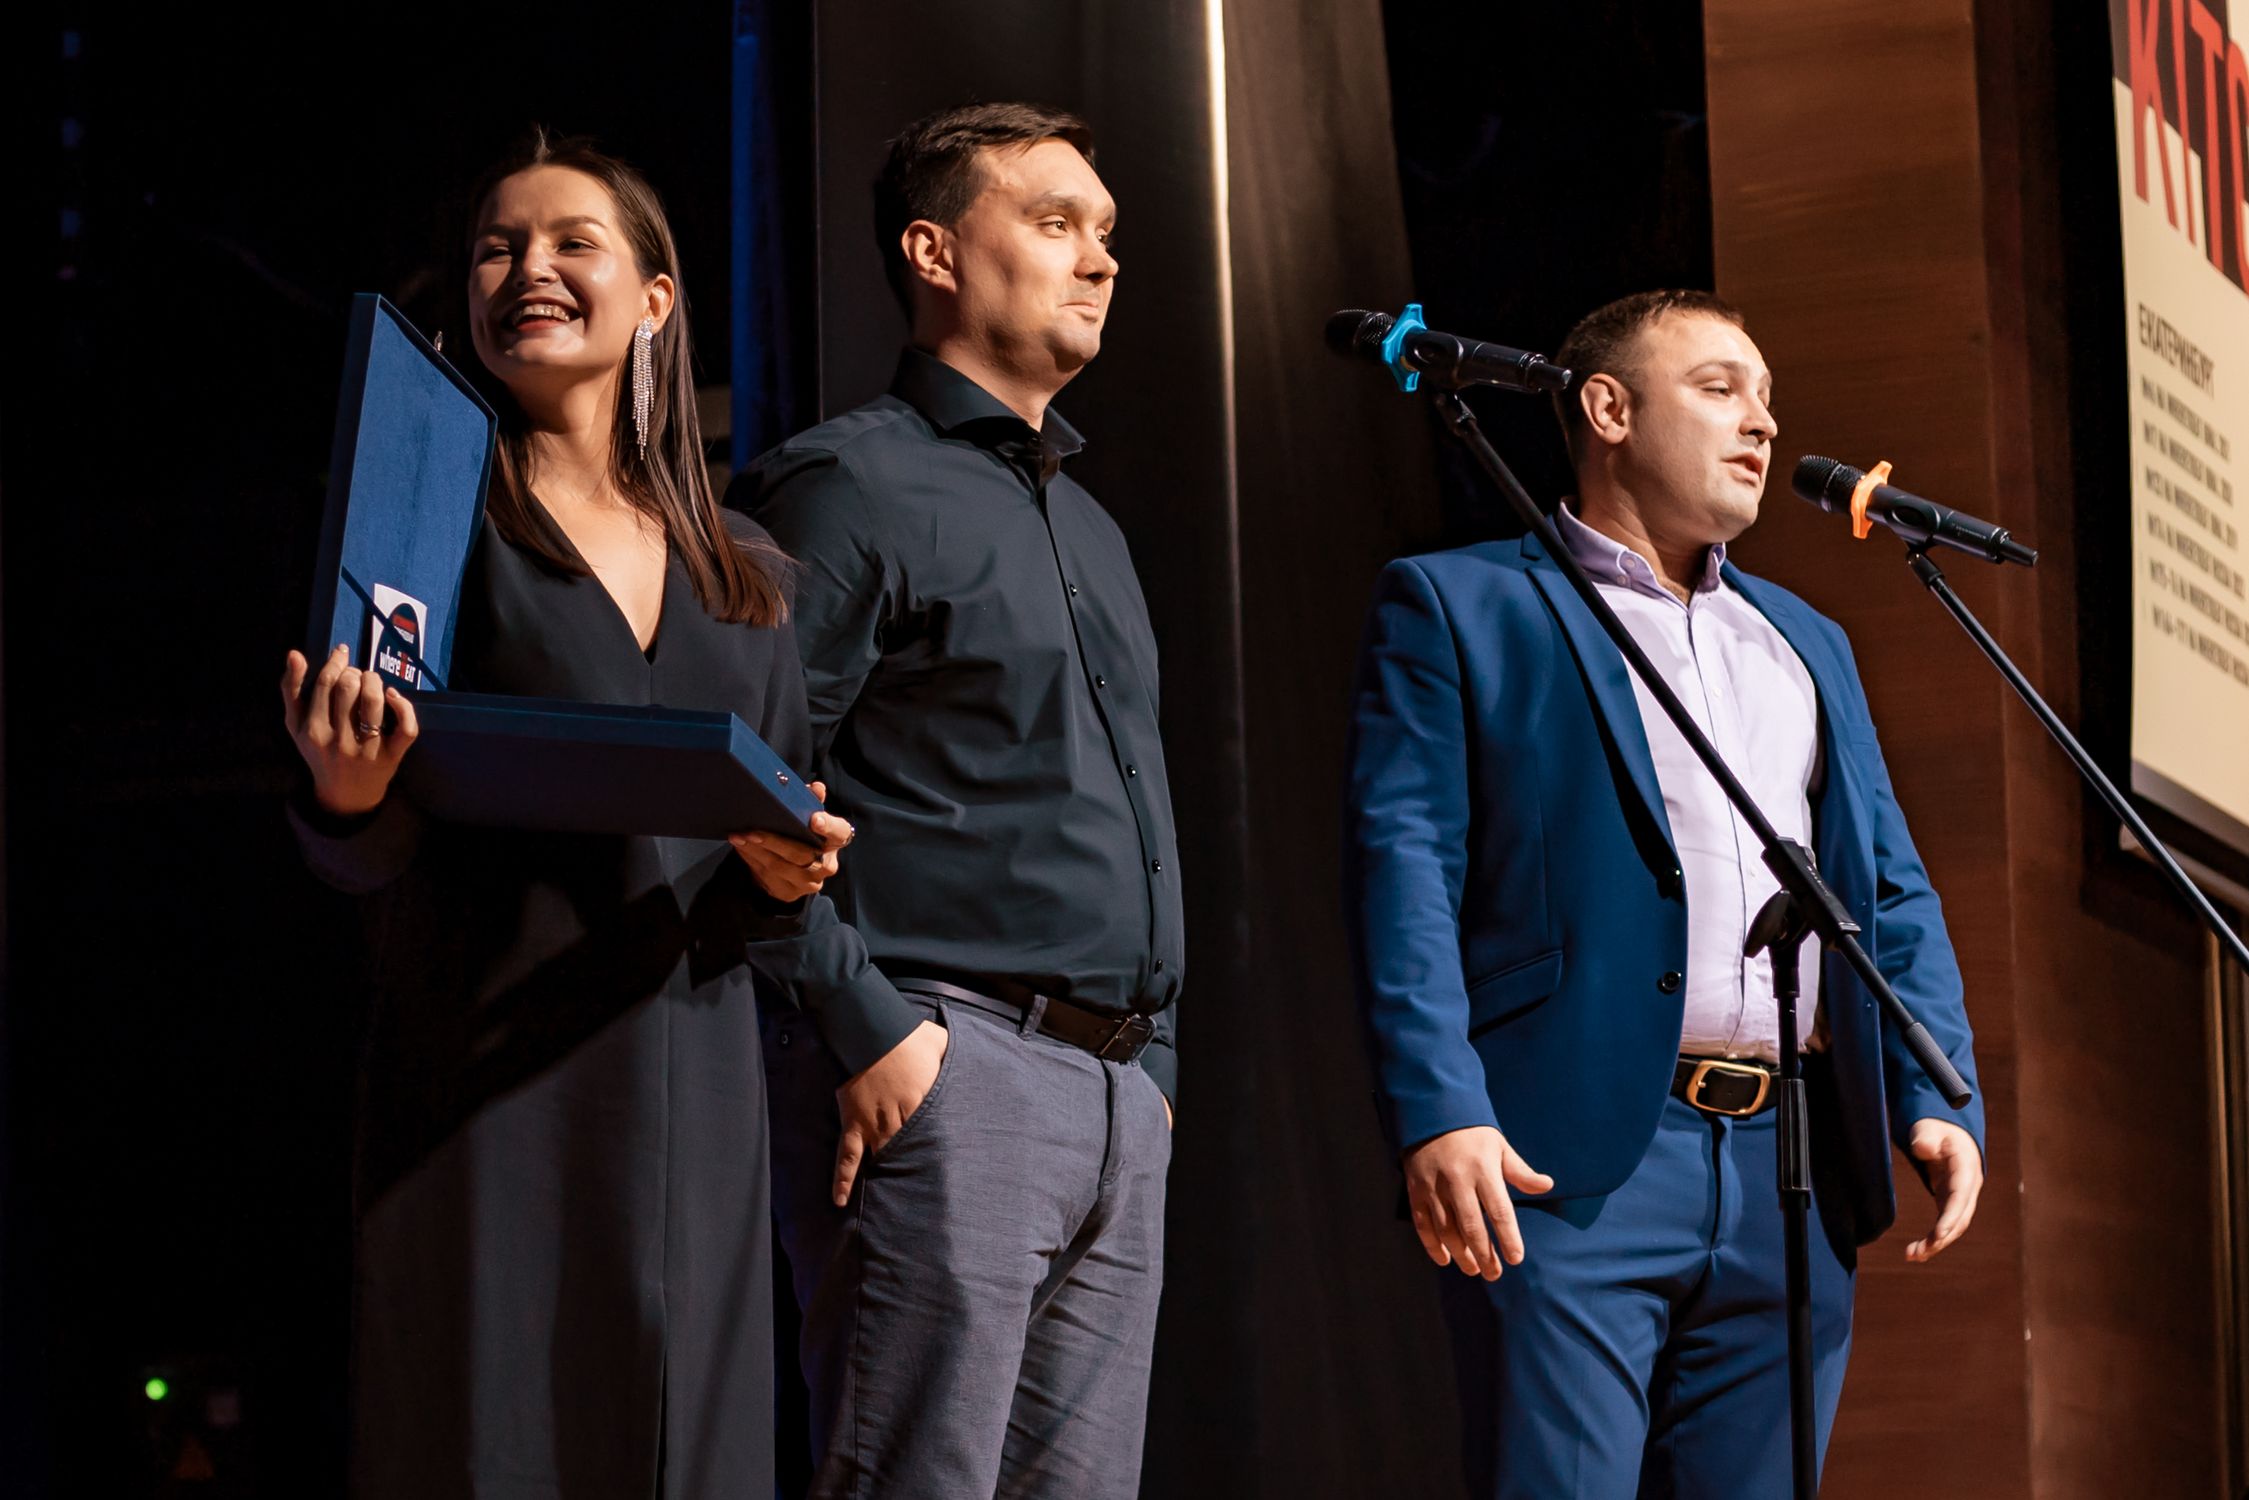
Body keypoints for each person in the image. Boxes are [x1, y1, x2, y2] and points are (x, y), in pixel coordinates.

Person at [279, 131, 865, 1499]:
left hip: (696, 1089)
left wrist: (789, 870)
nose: (527, 269)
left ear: (654, 299)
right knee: (497, 1439)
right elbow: (360, 842)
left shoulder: (745, 574)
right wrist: (345, 798)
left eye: (569, 242)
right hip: (492, 1084)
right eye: (498, 249)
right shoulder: (430, 526)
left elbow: (774, 847)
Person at [1343, 289, 1987, 1497]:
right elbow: (1404, 874)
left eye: (1765, 396)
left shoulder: (1804, 642)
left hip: (1790, 1164)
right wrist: (1438, 1108)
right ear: (1607, 410)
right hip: (1565, 1156)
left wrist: (1934, 1084)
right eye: (1717, 388)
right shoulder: (1464, 604)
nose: (1761, 422)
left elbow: (1886, 888)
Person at [727, 102, 1177, 1500]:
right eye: (1054, 223)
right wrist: (867, 1025)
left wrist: (1152, 1078)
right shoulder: (846, 485)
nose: (1098, 258)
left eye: (1105, 232)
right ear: (933, 253)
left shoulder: (1087, 521)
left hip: (1114, 1095)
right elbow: (738, 785)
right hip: (947, 1066)